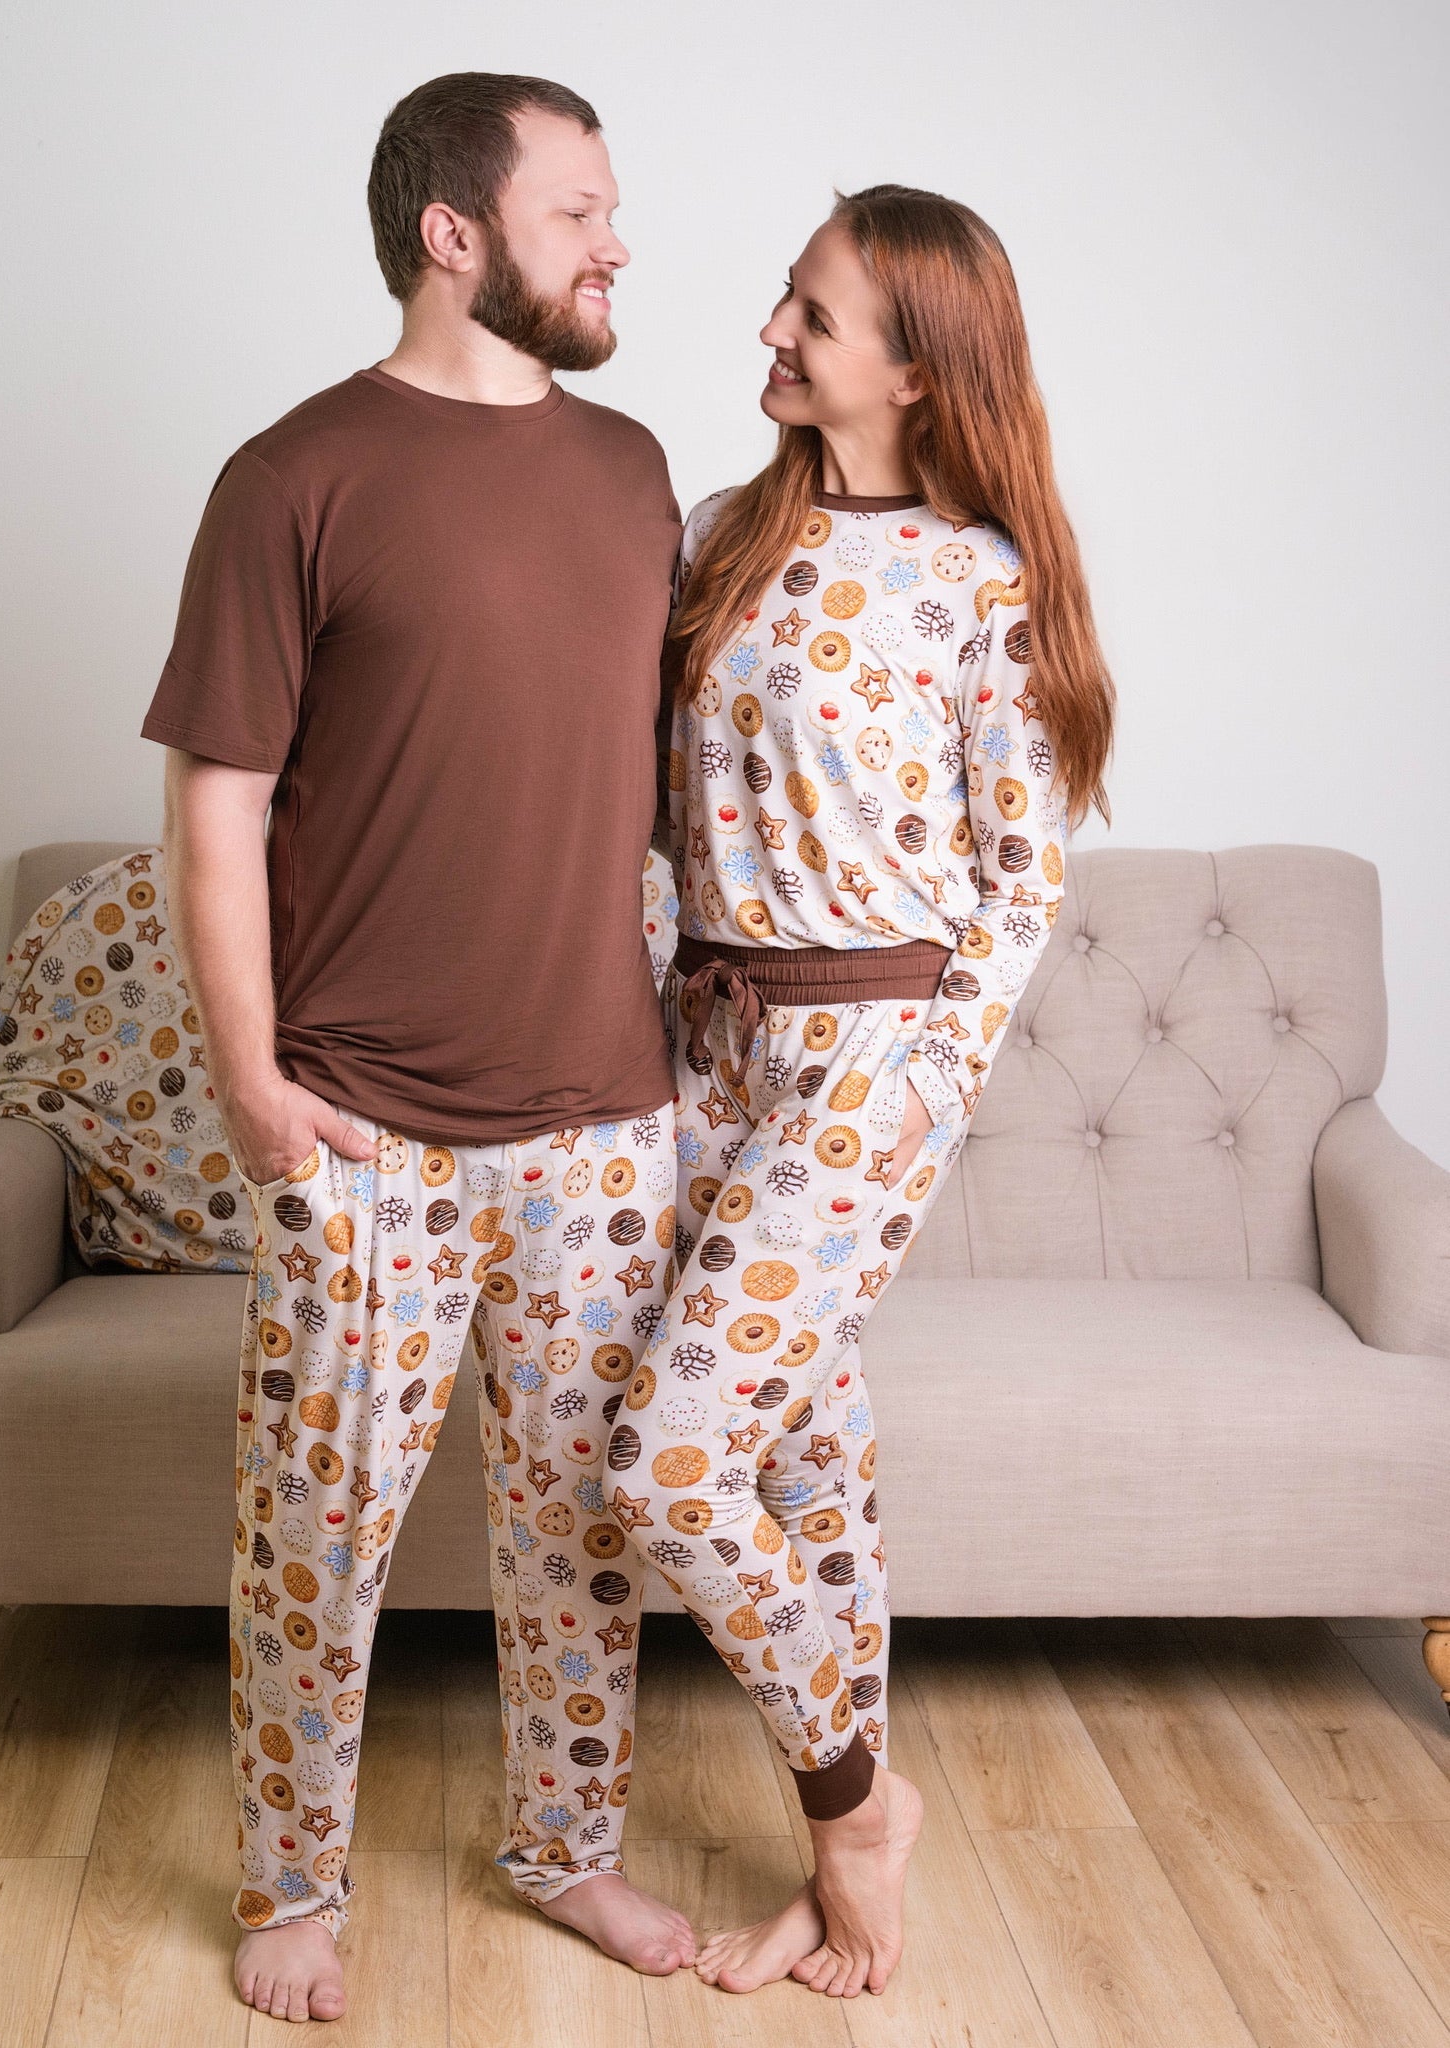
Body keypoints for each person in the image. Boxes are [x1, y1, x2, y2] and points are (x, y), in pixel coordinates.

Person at [143, 72, 697, 2025]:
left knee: (579, 1534)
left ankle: (568, 1848)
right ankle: (291, 1883)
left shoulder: (634, 470)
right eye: (578, 210)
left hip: (606, 1123)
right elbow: (218, 805)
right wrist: (256, 1092)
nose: (618, 243)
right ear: (454, 234)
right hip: (362, 1130)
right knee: (314, 1535)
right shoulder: (291, 475)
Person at [616, 184, 1116, 1999]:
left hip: (866, 1063)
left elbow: (1021, 882)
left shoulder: (983, 585)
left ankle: (853, 1810)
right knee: (804, 1459)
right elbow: (641, 809)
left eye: (811, 315)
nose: (769, 328)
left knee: (670, 1466)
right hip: (701, 1049)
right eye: (784, 296)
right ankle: (841, 1860)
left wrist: (922, 1088)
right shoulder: (712, 534)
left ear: (913, 371)